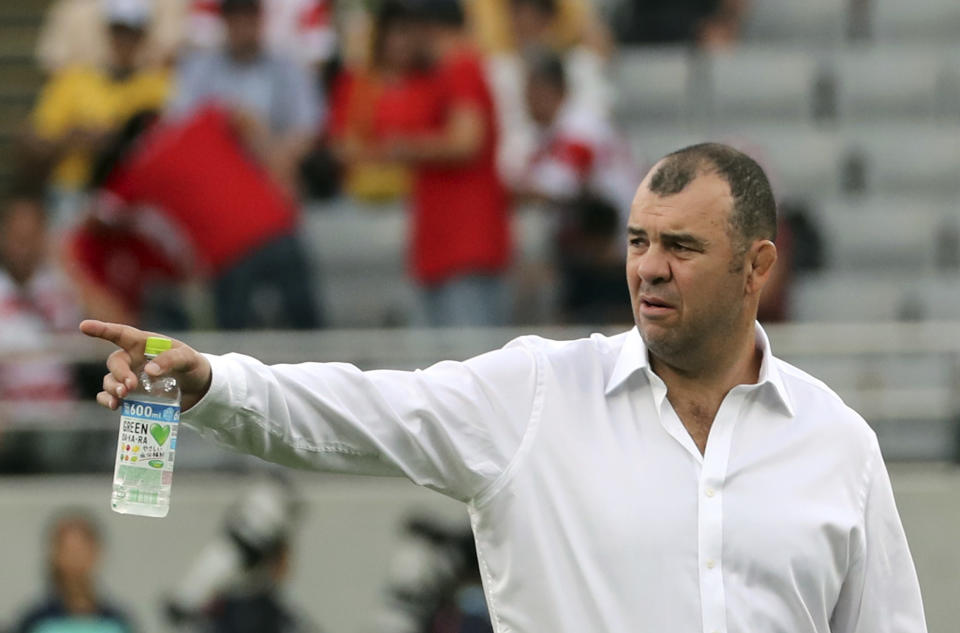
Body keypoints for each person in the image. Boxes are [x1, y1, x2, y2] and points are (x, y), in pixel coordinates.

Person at [82, 143, 928, 632]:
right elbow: (365, 412)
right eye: (637, 241)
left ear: (758, 267)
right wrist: (211, 383)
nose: (649, 268)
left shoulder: (838, 441)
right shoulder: (537, 393)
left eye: (682, 246)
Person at [381, 0, 512, 327]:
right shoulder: (444, 73)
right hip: (448, 242)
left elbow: (466, 141)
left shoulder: (461, 66)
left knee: (469, 361)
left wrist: (405, 147)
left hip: (465, 241)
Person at [28, 0, 172, 228]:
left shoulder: (160, 88)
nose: (124, 41)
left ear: (143, 35)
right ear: (107, 32)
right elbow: (32, 147)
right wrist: (73, 138)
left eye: (132, 33)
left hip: (132, 197)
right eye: (119, 31)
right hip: (76, 191)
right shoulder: (73, 81)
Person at [168, 0, 324, 197]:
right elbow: (177, 123)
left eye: (248, 14)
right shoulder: (199, 66)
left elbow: (307, 126)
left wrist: (272, 151)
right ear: (224, 19)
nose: (241, 23)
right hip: (210, 174)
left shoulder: (288, 66)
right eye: (234, 15)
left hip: (273, 173)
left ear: (260, 17)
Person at [12, 511, 135, 633]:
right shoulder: (35, 622)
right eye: (67, 550)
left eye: (81, 550)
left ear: (96, 553)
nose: (75, 559)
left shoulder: (117, 622)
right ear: (54, 555)